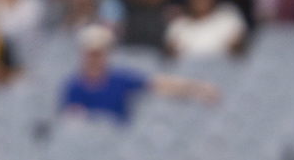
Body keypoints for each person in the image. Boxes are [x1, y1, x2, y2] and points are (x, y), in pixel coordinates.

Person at [60, 24, 219, 123]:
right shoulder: (73, 87)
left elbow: (157, 84)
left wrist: (196, 88)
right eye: (91, 53)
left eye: (99, 52)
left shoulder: (119, 79)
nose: (95, 58)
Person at [164, 0, 248, 59]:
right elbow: (170, 61)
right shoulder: (177, 26)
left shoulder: (229, 18)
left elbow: (241, 55)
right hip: (189, 79)